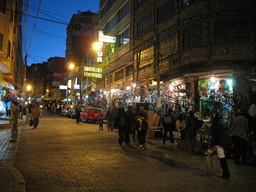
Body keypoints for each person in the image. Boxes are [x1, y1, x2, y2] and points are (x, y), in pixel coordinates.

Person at [209, 113, 231, 179]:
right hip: (221, 142)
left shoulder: (213, 126)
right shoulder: (221, 125)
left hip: (218, 143)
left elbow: (214, 137)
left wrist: (211, 145)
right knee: (222, 157)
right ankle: (226, 173)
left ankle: (226, 173)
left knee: (222, 158)